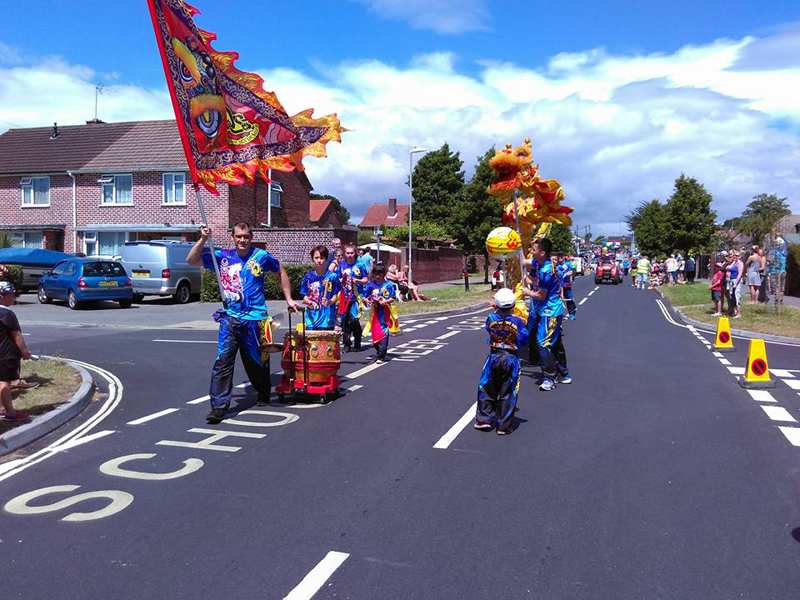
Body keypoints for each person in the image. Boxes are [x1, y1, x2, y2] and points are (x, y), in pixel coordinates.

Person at [187, 223, 300, 425]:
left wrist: (289, 299)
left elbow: (280, 271)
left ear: (251, 237)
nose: (242, 240)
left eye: (246, 236)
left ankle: (263, 391)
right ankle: (219, 407)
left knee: (257, 361)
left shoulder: (261, 256)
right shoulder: (222, 256)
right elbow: (192, 260)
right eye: (239, 236)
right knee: (223, 361)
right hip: (230, 318)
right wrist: (203, 239)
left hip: (255, 320)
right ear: (232, 237)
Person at [474, 288, 529, 435]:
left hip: (494, 356)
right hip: (511, 358)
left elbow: (488, 327)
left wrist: (496, 310)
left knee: (487, 386)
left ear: (496, 305)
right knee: (508, 390)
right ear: (513, 305)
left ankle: (483, 419)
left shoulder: (491, 318)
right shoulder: (518, 321)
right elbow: (524, 339)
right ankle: (503, 426)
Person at [523, 238, 570, 391]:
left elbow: (540, 296)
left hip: (550, 312)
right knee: (555, 343)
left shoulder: (546, 270)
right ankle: (564, 374)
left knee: (543, 342)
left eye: (534, 250)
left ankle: (549, 377)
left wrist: (527, 292)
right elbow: (522, 262)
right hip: (542, 310)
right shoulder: (539, 263)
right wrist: (519, 243)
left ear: (542, 253)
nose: (531, 252)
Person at [0, 282, 34, 422]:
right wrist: (25, 352)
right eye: (11, 295)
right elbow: (17, 335)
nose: (14, 297)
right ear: (2, 296)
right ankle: (10, 413)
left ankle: (2, 409)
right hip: (6, 354)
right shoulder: (7, 313)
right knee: (4, 383)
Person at [361, 263, 396, 363]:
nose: (377, 276)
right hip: (374, 312)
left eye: (380, 274)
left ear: (383, 274)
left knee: (383, 332)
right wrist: (366, 300)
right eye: (376, 274)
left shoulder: (388, 285)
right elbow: (364, 296)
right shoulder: (371, 285)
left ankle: (381, 354)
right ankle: (379, 351)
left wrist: (385, 301)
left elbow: (392, 297)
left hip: (384, 312)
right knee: (375, 335)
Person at [337, 243, 368, 351]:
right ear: (344, 253)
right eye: (347, 253)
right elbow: (337, 279)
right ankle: (346, 344)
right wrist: (341, 280)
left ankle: (357, 340)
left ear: (355, 253)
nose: (350, 255)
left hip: (356, 297)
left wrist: (358, 280)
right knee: (344, 320)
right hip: (343, 297)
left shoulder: (360, 265)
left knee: (354, 320)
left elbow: (366, 280)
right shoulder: (341, 265)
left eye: (351, 253)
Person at [300, 246, 340, 330]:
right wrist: (310, 302)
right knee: (311, 338)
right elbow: (304, 296)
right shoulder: (308, 277)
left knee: (327, 338)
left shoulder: (332, 276)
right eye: (316, 258)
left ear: (326, 259)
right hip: (312, 318)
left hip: (328, 318)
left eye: (322, 258)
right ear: (312, 259)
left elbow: (335, 296)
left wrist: (328, 302)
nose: (319, 260)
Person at [556, 252, 577, 320]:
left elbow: (571, 272)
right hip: (557, 286)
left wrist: (567, 274)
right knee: (557, 300)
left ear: (564, 256)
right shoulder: (556, 264)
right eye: (559, 256)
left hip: (566, 285)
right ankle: (557, 315)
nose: (560, 257)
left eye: (561, 256)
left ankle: (572, 313)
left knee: (569, 298)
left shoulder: (568, 264)